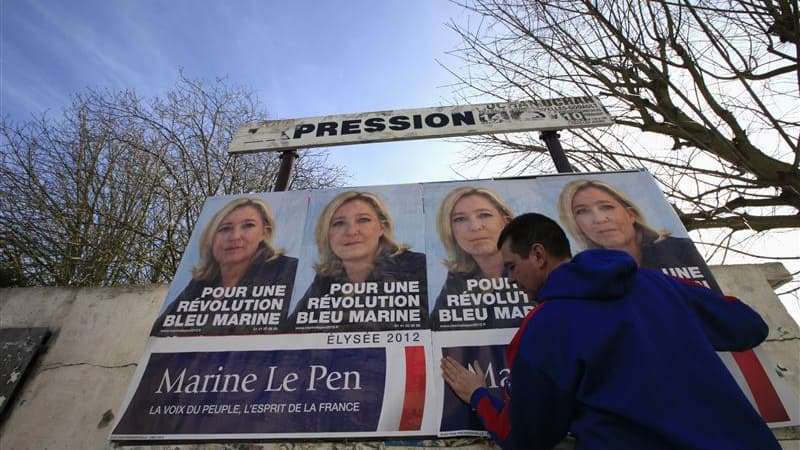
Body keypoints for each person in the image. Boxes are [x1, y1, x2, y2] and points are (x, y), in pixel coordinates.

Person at [441, 212, 779, 450]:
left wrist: (479, 396)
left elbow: (527, 437)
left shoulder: (544, 327)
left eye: (512, 267)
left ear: (539, 255)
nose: (510, 279)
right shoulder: (657, 283)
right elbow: (749, 327)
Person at [151, 197, 297, 336]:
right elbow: (159, 334)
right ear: (212, 237)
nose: (234, 236)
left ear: (265, 233)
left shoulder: (286, 270)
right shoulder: (200, 284)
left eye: (248, 225)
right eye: (225, 228)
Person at [289, 191, 428, 331]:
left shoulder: (416, 266)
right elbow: (292, 335)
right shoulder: (326, 279)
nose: (351, 231)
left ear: (381, 228)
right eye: (338, 223)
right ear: (326, 234)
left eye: (363, 220)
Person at [558, 178, 719, 291]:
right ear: (576, 224)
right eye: (582, 212)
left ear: (630, 214)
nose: (599, 219)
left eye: (606, 207)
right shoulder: (582, 274)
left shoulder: (680, 250)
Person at [430, 186, 531, 330]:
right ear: (450, 230)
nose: (475, 227)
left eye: (484, 215)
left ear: (505, 222)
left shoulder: (531, 269)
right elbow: (437, 332)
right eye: (460, 219)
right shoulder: (457, 280)